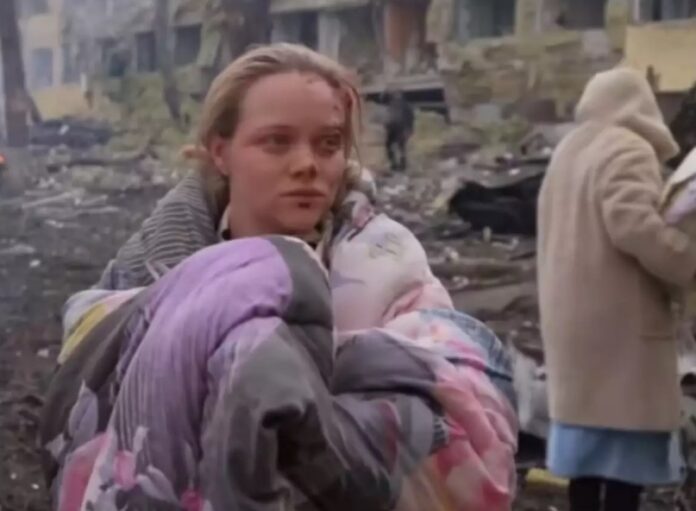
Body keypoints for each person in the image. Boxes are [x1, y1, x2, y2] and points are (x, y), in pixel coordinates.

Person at [40, 44, 517, 511]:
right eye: (277, 141)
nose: (308, 164)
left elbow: (467, 418)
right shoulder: (149, 272)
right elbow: (89, 422)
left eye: (328, 144)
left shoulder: (388, 266)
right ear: (221, 152)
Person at [537, 67, 696, 511]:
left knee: (585, 457)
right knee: (626, 461)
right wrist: (685, 257)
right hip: (619, 327)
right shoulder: (627, 147)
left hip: (573, 323)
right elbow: (633, 224)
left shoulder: (569, 150)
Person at [384, 89, 414, 171]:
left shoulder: (404, 106)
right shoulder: (394, 105)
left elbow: (410, 117)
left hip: (400, 128)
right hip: (395, 128)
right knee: (393, 146)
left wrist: (409, 128)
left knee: (400, 147)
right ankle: (396, 164)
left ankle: (400, 165)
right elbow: (389, 117)